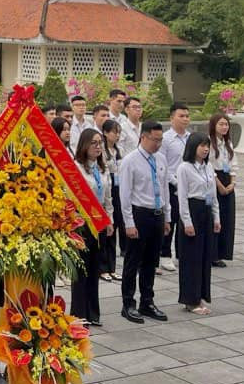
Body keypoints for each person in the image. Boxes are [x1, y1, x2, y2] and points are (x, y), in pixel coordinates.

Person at [117, 121, 170, 325]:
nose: (158, 144)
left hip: (157, 215)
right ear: (144, 137)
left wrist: (167, 217)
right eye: (155, 140)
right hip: (139, 214)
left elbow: (164, 189)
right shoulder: (130, 161)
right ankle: (128, 303)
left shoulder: (161, 159)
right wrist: (129, 223)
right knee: (133, 261)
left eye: (160, 140)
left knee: (151, 261)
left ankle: (147, 301)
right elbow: (125, 195)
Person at [70, 129, 113, 327]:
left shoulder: (102, 169)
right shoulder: (76, 167)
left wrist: (110, 220)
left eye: (100, 143)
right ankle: (78, 313)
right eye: (94, 143)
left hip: (99, 223)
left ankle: (93, 312)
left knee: (95, 267)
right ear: (84, 144)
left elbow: (108, 198)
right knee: (81, 270)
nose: (98, 147)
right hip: (81, 224)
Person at [176, 132, 220, 316]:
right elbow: (183, 197)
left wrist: (216, 217)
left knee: (204, 257)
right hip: (192, 211)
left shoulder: (208, 167)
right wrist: (187, 221)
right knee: (191, 258)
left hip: (206, 211)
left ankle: (201, 295)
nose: (205, 149)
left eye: (207, 146)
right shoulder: (184, 168)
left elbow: (213, 194)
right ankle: (190, 299)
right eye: (202, 145)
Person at [159, 103, 192, 272]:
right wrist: (175, 181)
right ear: (172, 117)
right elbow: (163, 165)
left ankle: (182, 253)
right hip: (171, 185)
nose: (185, 119)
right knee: (170, 219)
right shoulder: (165, 139)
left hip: (189, 186)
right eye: (181, 116)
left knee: (185, 219)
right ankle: (165, 254)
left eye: (187, 116)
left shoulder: (191, 138)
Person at [207, 113, 237, 266]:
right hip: (215, 180)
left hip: (227, 179)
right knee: (215, 218)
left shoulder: (228, 143)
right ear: (214, 125)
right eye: (221, 124)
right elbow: (209, 166)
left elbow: (233, 164)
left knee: (227, 217)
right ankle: (212, 254)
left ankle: (223, 251)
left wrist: (232, 182)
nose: (224, 127)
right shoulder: (209, 143)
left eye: (226, 124)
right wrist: (219, 185)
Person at [99, 119, 125, 281]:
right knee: (105, 230)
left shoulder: (119, 150)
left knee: (115, 226)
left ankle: (112, 266)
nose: (117, 135)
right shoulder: (101, 150)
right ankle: (103, 268)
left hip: (119, 188)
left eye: (118, 132)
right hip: (107, 186)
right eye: (114, 132)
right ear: (106, 133)